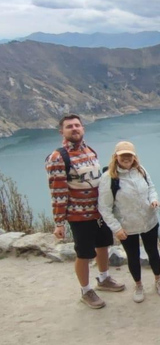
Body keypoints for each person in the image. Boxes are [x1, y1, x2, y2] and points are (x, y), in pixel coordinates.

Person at [45, 114, 125, 308]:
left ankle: (104, 278)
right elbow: (58, 191)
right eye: (69, 126)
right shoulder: (58, 157)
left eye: (77, 125)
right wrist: (59, 222)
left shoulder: (90, 151)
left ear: (83, 128)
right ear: (61, 131)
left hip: (99, 212)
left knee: (103, 245)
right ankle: (86, 290)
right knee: (83, 253)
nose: (74, 129)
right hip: (78, 215)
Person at [98, 141, 160, 303]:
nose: (126, 158)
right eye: (123, 155)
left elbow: (151, 188)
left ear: (134, 156)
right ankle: (138, 285)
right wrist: (116, 228)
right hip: (127, 226)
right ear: (116, 156)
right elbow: (104, 207)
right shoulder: (109, 178)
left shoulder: (141, 171)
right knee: (133, 256)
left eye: (129, 155)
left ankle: (158, 280)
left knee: (153, 252)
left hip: (148, 221)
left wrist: (154, 200)